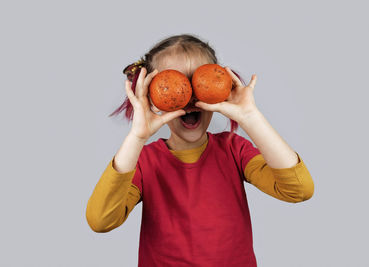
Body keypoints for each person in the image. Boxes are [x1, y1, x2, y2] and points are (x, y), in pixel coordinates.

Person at [86, 34, 314, 267]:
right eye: (174, 81)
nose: (189, 98)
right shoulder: (144, 162)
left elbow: (298, 190)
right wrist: (137, 137)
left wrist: (250, 117)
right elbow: (101, 220)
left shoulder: (233, 150)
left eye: (197, 82)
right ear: (152, 97)